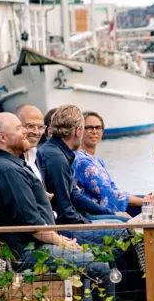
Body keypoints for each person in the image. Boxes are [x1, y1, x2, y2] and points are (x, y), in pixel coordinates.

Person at [0, 113, 123, 301]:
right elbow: (33, 224)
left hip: (37, 245)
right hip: (30, 254)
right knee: (100, 263)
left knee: (97, 256)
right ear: (3, 137)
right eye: (19, 128)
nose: (25, 132)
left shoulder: (8, 164)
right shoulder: (7, 170)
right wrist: (62, 241)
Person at [36, 105, 127, 245]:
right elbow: (64, 211)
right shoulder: (56, 159)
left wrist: (109, 214)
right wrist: (89, 223)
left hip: (65, 222)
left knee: (120, 223)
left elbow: (75, 197)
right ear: (78, 131)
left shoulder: (57, 154)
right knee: (124, 231)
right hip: (62, 229)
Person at [73, 111, 154, 218]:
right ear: (80, 131)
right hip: (95, 213)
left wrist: (144, 198)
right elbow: (106, 193)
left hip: (107, 205)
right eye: (89, 128)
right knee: (146, 208)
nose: (94, 131)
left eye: (98, 127)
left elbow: (113, 188)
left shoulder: (97, 161)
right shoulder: (81, 161)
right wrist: (143, 201)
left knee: (149, 204)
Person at [0, 104, 48, 206]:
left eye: (41, 127)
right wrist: (32, 194)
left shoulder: (37, 155)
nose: (36, 132)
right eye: (30, 126)